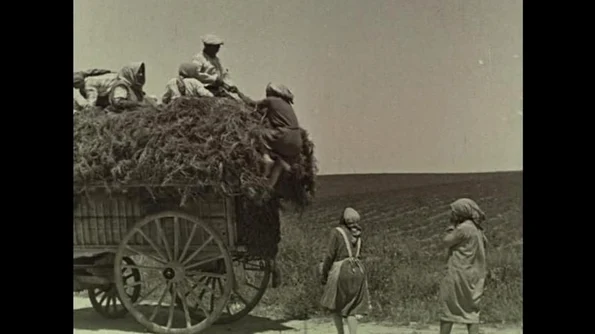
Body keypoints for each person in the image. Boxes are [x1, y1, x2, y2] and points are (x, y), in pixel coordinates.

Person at [234, 83, 302, 187]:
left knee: (256, 132)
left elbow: (251, 103)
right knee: (279, 163)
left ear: (272, 93)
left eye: (267, 92)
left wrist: (238, 92)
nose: (266, 94)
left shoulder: (271, 100)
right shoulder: (286, 103)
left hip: (284, 135)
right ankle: (268, 188)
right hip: (297, 141)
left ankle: (266, 158)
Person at [439, 198, 488, 334]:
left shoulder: (463, 229)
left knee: (448, 309)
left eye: (454, 211)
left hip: (458, 274)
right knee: (471, 311)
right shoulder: (478, 230)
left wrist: (451, 226)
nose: (451, 213)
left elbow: (445, 241)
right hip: (474, 275)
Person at [319, 207, 371, 334]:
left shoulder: (336, 232)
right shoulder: (358, 234)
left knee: (335, 306)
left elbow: (330, 255)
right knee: (352, 309)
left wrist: (324, 273)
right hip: (358, 270)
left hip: (342, 270)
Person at [191, 34, 238, 98]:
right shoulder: (199, 58)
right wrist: (213, 79)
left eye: (218, 47)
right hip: (204, 89)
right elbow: (195, 74)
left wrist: (230, 85)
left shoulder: (217, 60)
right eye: (216, 47)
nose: (218, 49)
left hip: (217, 89)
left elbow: (224, 75)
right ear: (207, 46)